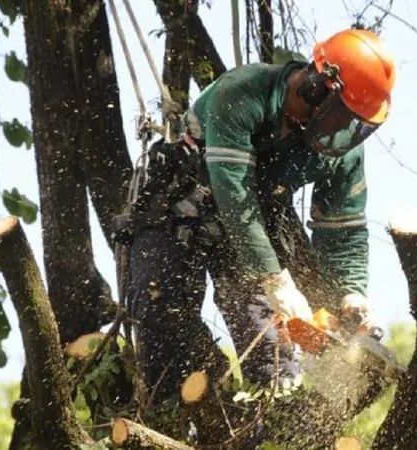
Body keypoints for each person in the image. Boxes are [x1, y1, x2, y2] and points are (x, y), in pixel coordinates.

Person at [124, 27, 396, 445]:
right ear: (315, 87)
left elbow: (343, 228)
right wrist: (276, 280)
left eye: (355, 124)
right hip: (178, 219)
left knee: (273, 349)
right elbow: (233, 193)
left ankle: (270, 434)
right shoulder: (243, 92)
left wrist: (350, 294)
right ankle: (181, 423)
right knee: (163, 319)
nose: (344, 130)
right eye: (341, 115)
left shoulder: (342, 151)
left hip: (250, 239)